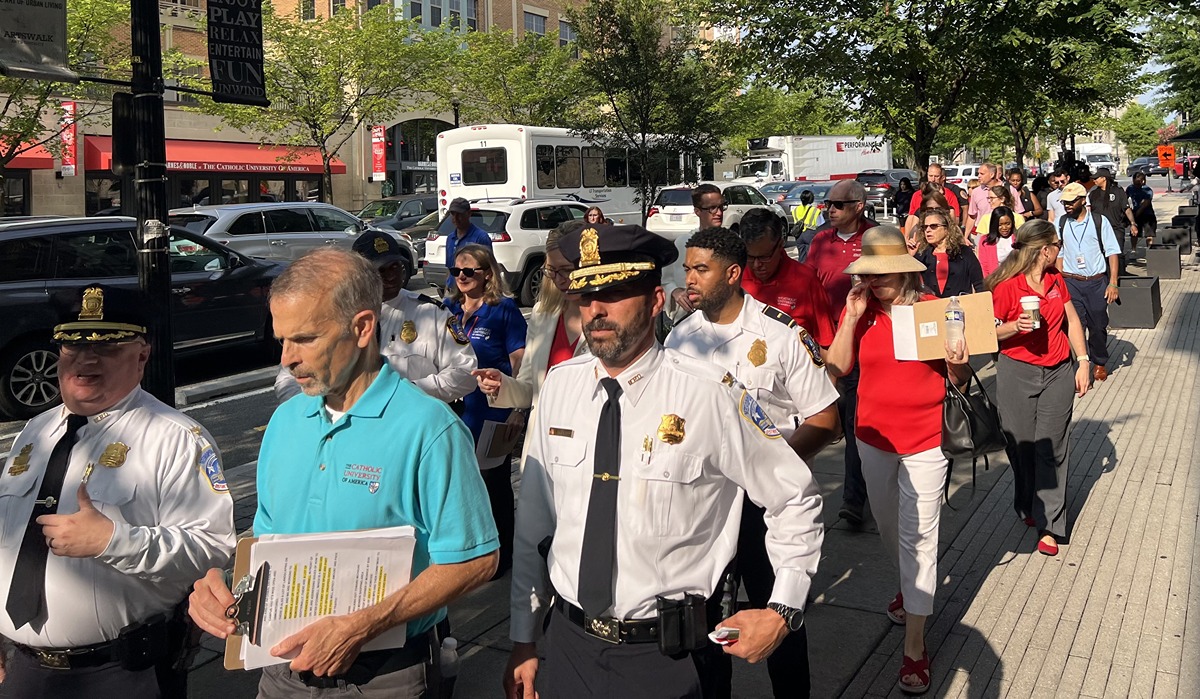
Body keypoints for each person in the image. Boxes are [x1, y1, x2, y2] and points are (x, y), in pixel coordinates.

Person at [504, 224, 824, 699]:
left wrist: (783, 608)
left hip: (670, 655)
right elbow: (535, 521)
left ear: (656, 300)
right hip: (570, 643)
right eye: (586, 295)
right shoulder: (560, 386)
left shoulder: (710, 393)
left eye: (615, 293)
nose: (597, 310)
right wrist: (523, 636)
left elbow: (794, 497)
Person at [188, 249, 499, 697]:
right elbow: (267, 539)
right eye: (281, 340)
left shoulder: (429, 428)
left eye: (305, 339)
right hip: (279, 671)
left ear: (362, 328)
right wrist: (224, 587)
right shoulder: (285, 421)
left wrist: (362, 627)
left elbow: (475, 559)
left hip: (383, 676)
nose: (286, 360)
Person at [0, 285, 235, 698]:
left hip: (120, 673)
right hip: (25, 670)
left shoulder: (175, 438)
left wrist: (113, 540)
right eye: (71, 346)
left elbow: (211, 547)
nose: (85, 359)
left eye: (107, 347)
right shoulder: (35, 432)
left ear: (142, 355)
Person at [666, 225, 839, 699]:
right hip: (702, 508)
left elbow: (827, 419)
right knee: (702, 625)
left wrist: (767, 467)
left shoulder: (780, 336)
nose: (690, 278)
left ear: (733, 273)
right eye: (688, 268)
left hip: (765, 509)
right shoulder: (680, 339)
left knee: (776, 617)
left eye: (701, 269)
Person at [824, 226, 972, 696]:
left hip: (927, 440)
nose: (877, 280)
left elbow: (961, 381)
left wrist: (958, 361)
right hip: (871, 437)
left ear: (905, 272)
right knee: (890, 529)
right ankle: (909, 587)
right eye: (870, 272)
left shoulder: (932, 309)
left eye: (885, 272)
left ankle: (914, 643)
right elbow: (836, 367)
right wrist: (849, 319)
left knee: (921, 538)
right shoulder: (861, 311)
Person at [987, 219, 1092, 557]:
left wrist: (1084, 361)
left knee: (1052, 446)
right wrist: (1013, 328)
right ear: (1044, 250)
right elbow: (987, 333)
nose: (1059, 250)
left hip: (1058, 371)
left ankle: (1051, 525)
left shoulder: (1056, 280)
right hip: (1017, 371)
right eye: (1056, 245)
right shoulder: (1006, 286)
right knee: (1021, 445)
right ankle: (1027, 498)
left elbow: (1072, 320)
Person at [274, 230, 478, 403]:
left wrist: (404, 393)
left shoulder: (431, 313)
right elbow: (287, 380)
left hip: (411, 423)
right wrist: (325, 406)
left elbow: (465, 372)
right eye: (380, 270)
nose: (391, 276)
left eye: (395, 267)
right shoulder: (333, 314)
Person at [443, 244, 527, 577]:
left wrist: (517, 406)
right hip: (456, 413)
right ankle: (472, 553)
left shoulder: (503, 310)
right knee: (461, 484)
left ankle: (503, 556)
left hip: (492, 411)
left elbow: (520, 360)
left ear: (487, 273)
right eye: (455, 271)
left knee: (494, 486)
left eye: (468, 271)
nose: (461, 277)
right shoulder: (447, 309)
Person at [804, 178, 873, 526]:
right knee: (829, 422)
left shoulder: (876, 238)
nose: (830, 209)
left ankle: (853, 501)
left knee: (855, 423)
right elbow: (807, 286)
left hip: (868, 345)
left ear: (859, 207)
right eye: (828, 204)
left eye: (838, 204)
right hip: (827, 347)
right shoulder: (820, 241)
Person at [473, 222, 589, 417]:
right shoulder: (542, 313)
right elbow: (529, 389)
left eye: (567, 270)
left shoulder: (610, 316)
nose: (559, 279)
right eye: (551, 270)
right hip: (544, 439)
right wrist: (502, 384)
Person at [739, 208, 836, 350]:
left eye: (765, 257)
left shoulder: (805, 280)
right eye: (750, 257)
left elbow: (826, 343)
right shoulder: (734, 278)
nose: (757, 265)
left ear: (780, 245)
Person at [1056, 182, 1121, 383]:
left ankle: (1099, 361)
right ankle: (1079, 368)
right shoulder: (1061, 223)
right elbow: (1059, 252)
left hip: (1096, 282)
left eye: (1072, 201)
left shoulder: (1099, 221)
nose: (1067, 205)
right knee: (1075, 325)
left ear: (1083, 200)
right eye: (1065, 202)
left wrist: (1113, 283)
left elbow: (1112, 252)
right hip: (1071, 281)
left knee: (1098, 324)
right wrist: (1057, 281)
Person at [663, 183, 729, 318]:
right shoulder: (683, 243)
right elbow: (665, 281)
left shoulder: (731, 243)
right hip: (689, 321)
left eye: (721, 206)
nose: (719, 213)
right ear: (697, 211)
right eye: (712, 208)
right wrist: (675, 291)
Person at [913, 208, 984, 297]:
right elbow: (908, 282)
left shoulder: (964, 252)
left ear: (946, 228)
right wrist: (910, 255)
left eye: (933, 226)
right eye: (925, 227)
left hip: (960, 307)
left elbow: (979, 284)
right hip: (931, 307)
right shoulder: (922, 254)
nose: (928, 230)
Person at [1088, 168, 1137, 270]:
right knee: (1101, 255)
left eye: (1096, 178)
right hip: (1098, 230)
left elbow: (1126, 209)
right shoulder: (1093, 194)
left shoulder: (1118, 191)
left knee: (1117, 254)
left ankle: (1119, 276)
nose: (1094, 180)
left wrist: (1133, 223)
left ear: (1104, 178)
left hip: (1116, 228)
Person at [444, 197, 493, 291]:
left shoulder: (481, 237)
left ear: (469, 214)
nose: (455, 218)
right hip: (453, 290)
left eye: (459, 214)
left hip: (473, 290)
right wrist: (447, 286)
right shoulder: (450, 238)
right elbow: (449, 267)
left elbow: (489, 268)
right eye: (453, 214)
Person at [976, 206, 1021, 277]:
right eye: (1000, 225)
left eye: (1007, 224)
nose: (1004, 228)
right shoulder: (985, 241)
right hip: (995, 280)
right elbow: (984, 265)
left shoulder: (1019, 238)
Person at [964, 162, 1003, 235]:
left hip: (1004, 232)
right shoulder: (976, 192)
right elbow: (972, 216)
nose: (978, 176)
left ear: (992, 175)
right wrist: (966, 236)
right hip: (983, 233)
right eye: (978, 173)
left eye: (982, 174)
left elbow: (1018, 212)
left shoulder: (1008, 189)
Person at [1126, 171, 1156, 252]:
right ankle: (1133, 249)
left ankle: (1149, 250)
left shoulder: (1147, 190)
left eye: (1139, 181)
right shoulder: (1130, 188)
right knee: (1134, 233)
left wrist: (1136, 214)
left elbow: (1146, 203)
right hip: (1135, 212)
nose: (1137, 184)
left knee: (1149, 234)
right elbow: (1125, 199)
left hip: (1147, 214)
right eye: (1135, 181)